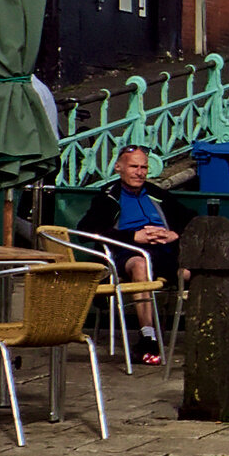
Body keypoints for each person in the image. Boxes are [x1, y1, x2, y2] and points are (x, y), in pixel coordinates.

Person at [70, 144, 181, 363]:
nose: (140, 172)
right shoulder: (108, 197)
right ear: (119, 168)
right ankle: (148, 337)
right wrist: (133, 237)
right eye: (133, 167)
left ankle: (213, 339)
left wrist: (173, 234)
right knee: (141, 263)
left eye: (144, 167)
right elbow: (86, 232)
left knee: (195, 271)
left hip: (163, 253)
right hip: (124, 256)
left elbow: (189, 219)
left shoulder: (157, 194)